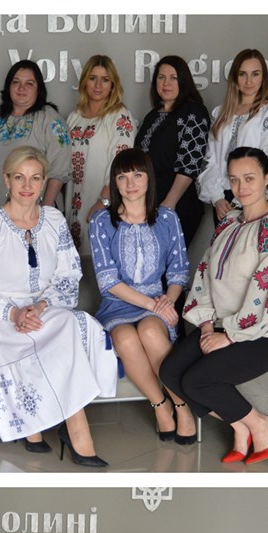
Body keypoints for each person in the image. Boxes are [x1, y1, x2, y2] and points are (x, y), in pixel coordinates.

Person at [0, 146, 116, 466]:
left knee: (72, 325)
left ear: (44, 181)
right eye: (19, 177)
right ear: (6, 180)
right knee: (28, 343)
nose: (27, 185)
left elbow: (69, 275)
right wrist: (14, 313)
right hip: (1, 316)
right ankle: (42, 426)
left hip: (45, 309)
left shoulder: (54, 220)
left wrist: (41, 305)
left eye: (35, 178)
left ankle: (75, 426)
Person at [161, 147, 268, 466]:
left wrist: (230, 336)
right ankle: (241, 425)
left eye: (249, 178)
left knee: (197, 380)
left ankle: (261, 425)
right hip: (219, 325)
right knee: (170, 372)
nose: (241, 187)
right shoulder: (229, 220)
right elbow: (205, 273)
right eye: (234, 179)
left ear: (267, 176)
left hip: (265, 333)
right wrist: (207, 324)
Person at [88, 149, 195, 443]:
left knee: (149, 330)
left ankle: (182, 405)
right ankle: (161, 407)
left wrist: (166, 302)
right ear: (114, 182)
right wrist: (153, 305)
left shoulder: (168, 218)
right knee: (124, 338)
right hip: (116, 305)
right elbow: (108, 280)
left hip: (158, 301)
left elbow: (179, 271)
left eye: (137, 175)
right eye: (122, 177)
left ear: (149, 178)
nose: (130, 183)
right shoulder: (100, 221)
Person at [0, 60, 72, 219]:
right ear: (8, 86)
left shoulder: (50, 119)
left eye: (29, 83)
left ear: (38, 89)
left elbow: (60, 167)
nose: (21, 88)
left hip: (32, 214)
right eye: (16, 82)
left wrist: (46, 209)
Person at [197, 49, 268, 224]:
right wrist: (217, 198)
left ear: (263, 78)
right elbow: (209, 159)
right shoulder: (220, 112)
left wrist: (239, 200)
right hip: (223, 199)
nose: (249, 81)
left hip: (255, 196)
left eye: (255, 74)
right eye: (243, 74)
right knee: (225, 242)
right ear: (235, 77)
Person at [135, 55, 211, 247]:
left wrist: (169, 203)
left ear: (184, 81)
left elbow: (190, 162)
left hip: (176, 204)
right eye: (161, 77)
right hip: (147, 203)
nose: (166, 83)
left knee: (168, 262)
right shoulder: (152, 115)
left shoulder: (194, 112)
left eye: (173, 77)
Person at [65, 55, 136, 252]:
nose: (98, 85)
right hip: (73, 205)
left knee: (99, 259)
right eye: (92, 78)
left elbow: (121, 164)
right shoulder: (74, 117)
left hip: (103, 204)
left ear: (113, 85)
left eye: (105, 80)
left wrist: (103, 202)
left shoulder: (119, 116)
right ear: (84, 82)